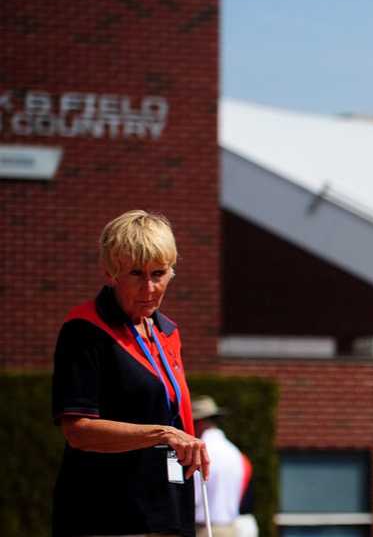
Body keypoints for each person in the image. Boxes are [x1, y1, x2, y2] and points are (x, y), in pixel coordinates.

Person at [52, 210, 211, 537]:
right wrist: (163, 434)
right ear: (111, 272)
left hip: (170, 512)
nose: (150, 287)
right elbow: (78, 431)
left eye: (159, 273)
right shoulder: (85, 330)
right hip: (107, 517)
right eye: (136, 274)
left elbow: (174, 414)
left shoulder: (168, 332)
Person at [192, 396, 248, 537]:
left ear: (200, 423)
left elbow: (193, 496)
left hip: (205, 530)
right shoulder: (234, 451)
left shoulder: (201, 451)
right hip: (230, 528)